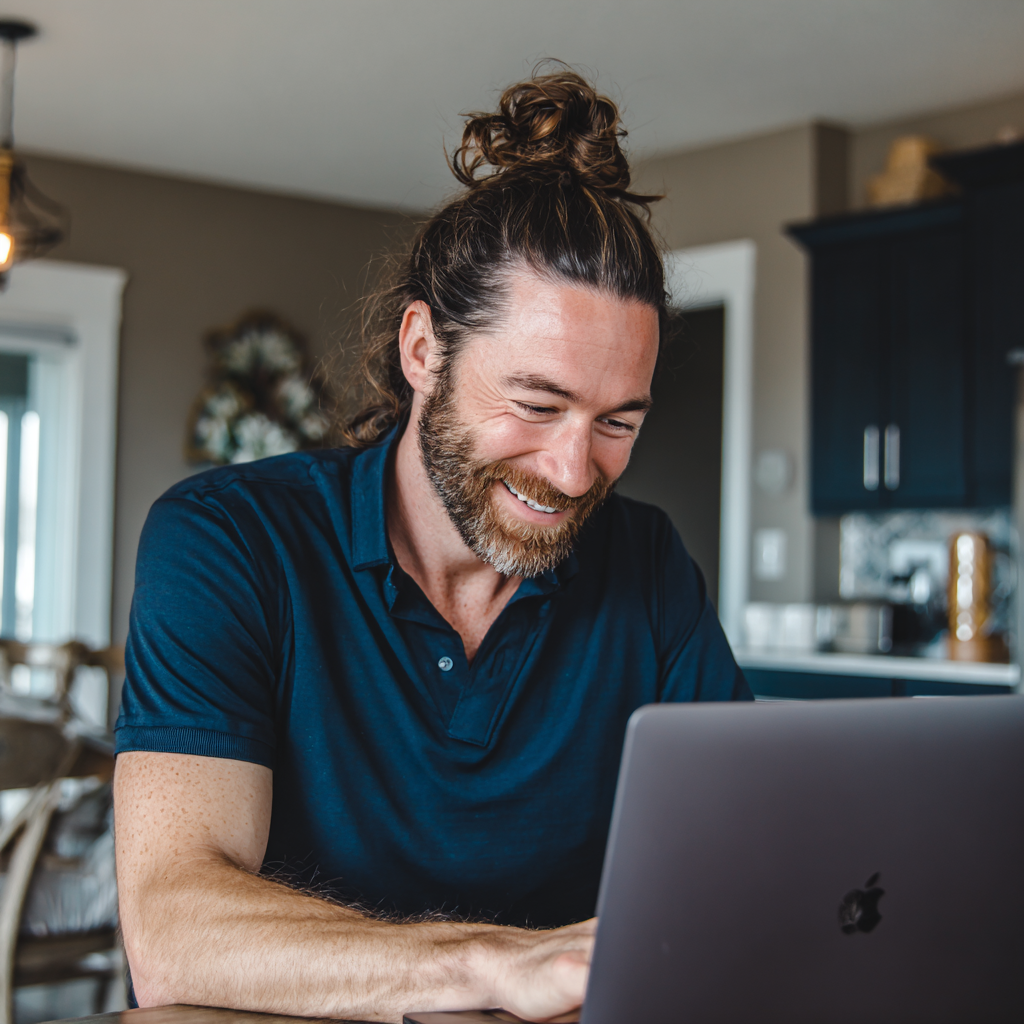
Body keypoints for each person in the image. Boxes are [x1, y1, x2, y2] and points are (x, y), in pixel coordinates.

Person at [113, 66, 752, 1024]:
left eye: (618, 422)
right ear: (424, 352)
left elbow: (747, 863)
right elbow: (171, 931)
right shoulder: (228, 541)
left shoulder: (649, 565)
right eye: (536, 404)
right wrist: (493, 968)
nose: (576, 471)